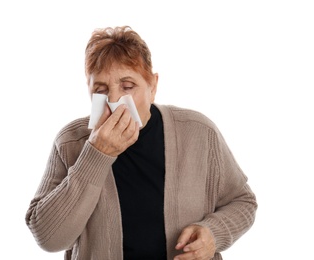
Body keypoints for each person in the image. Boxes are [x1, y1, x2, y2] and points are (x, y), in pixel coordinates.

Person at [25, 25, 257, 260]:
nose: (114, 100)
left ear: (153, 86)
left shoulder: (198, 131)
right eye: (101, 90)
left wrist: (213, 234)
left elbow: (243, 201)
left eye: (127, 87)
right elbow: (48, 238)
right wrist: (96, 154)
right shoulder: (70, 142)